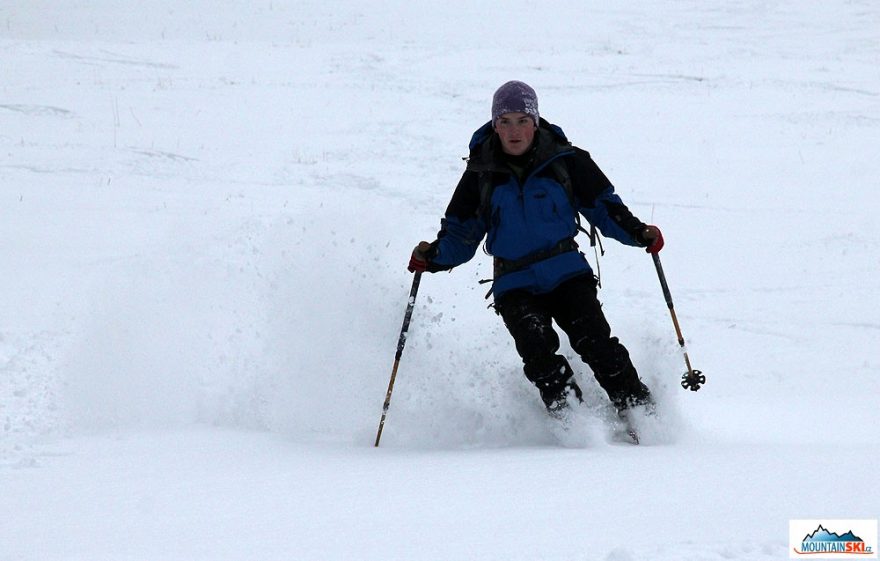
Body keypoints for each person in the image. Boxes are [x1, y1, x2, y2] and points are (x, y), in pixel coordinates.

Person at [407, 80, 663, 420]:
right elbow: (461, 235)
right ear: (495, 126)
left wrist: (638, 232)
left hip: (567, 270)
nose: (514, 131)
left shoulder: (567, 161)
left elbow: (604, 208)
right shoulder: (480, 174)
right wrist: (433, 256)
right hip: (514, 282)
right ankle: (575, 423)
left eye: (522, 121)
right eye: (505, 122)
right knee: (538, 353)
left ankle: (642, 416)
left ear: (536, 122)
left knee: (596, 342)